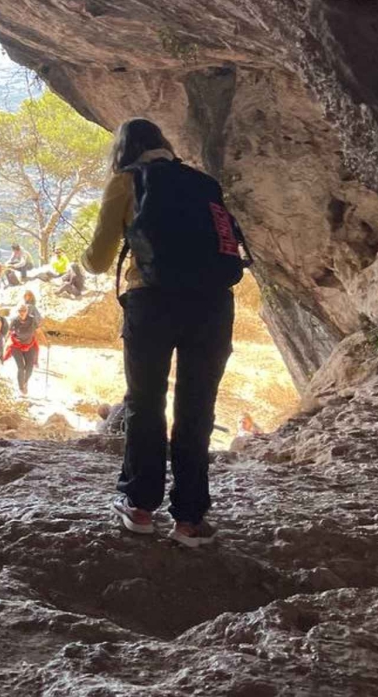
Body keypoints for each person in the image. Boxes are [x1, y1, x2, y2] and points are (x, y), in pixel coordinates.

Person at [82, 117, 235, 548]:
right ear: (163, 144)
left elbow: (97, 260)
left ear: (123, 150)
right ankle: (189, 520)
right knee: (197, 407)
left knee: (146, 402)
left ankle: (140, 507)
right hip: (213, 305)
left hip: (152, 303)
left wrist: (85, 257)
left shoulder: (127, 181)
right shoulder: (203, 184)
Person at [4, 300, 43, 395]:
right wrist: (5, 342)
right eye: (20, 311)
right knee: (21, 367)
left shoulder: (32, 320)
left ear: (27, 311)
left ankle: (25, 382)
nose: (22, 312)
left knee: (29, 367)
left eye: (24, 310)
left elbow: (38, 331)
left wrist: (46, 342)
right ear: (17, 311)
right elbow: (9, 332)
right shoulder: (14, 320)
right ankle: (21, 387)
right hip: (16, 345)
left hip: (29, 344)